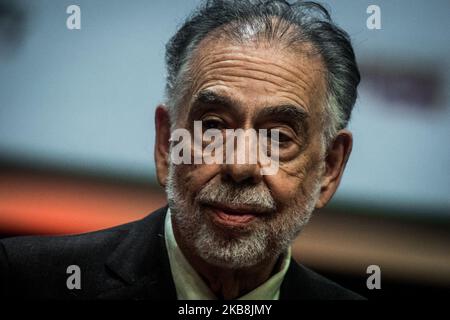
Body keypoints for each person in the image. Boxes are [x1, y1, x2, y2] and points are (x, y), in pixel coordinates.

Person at [0, 0, 363, 299]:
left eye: (279, 137)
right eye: (213, 126)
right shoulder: (27, 281)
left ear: (329, 168)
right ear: (165, 143)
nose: (239, 165)